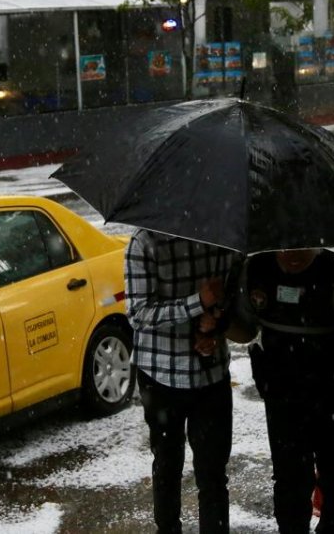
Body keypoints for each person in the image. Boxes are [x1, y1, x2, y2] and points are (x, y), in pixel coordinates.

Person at [232, 248, 334, 534]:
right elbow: (244, 329)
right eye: (285, 246)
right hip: (282, 396)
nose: (293, 254)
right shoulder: (255, 271)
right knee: (290, 482)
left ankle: (329, 526)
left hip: (331, 394)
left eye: (303, 245)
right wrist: (217, 317)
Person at [125, 228, 240, 534]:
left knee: (213, 475)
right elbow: (138, 312)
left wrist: (215, 323)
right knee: (167, 467)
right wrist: (196, 303)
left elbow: (235, 292)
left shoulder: (223, 235)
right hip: (160, 377)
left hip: (210, 376)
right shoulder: (144, 243)